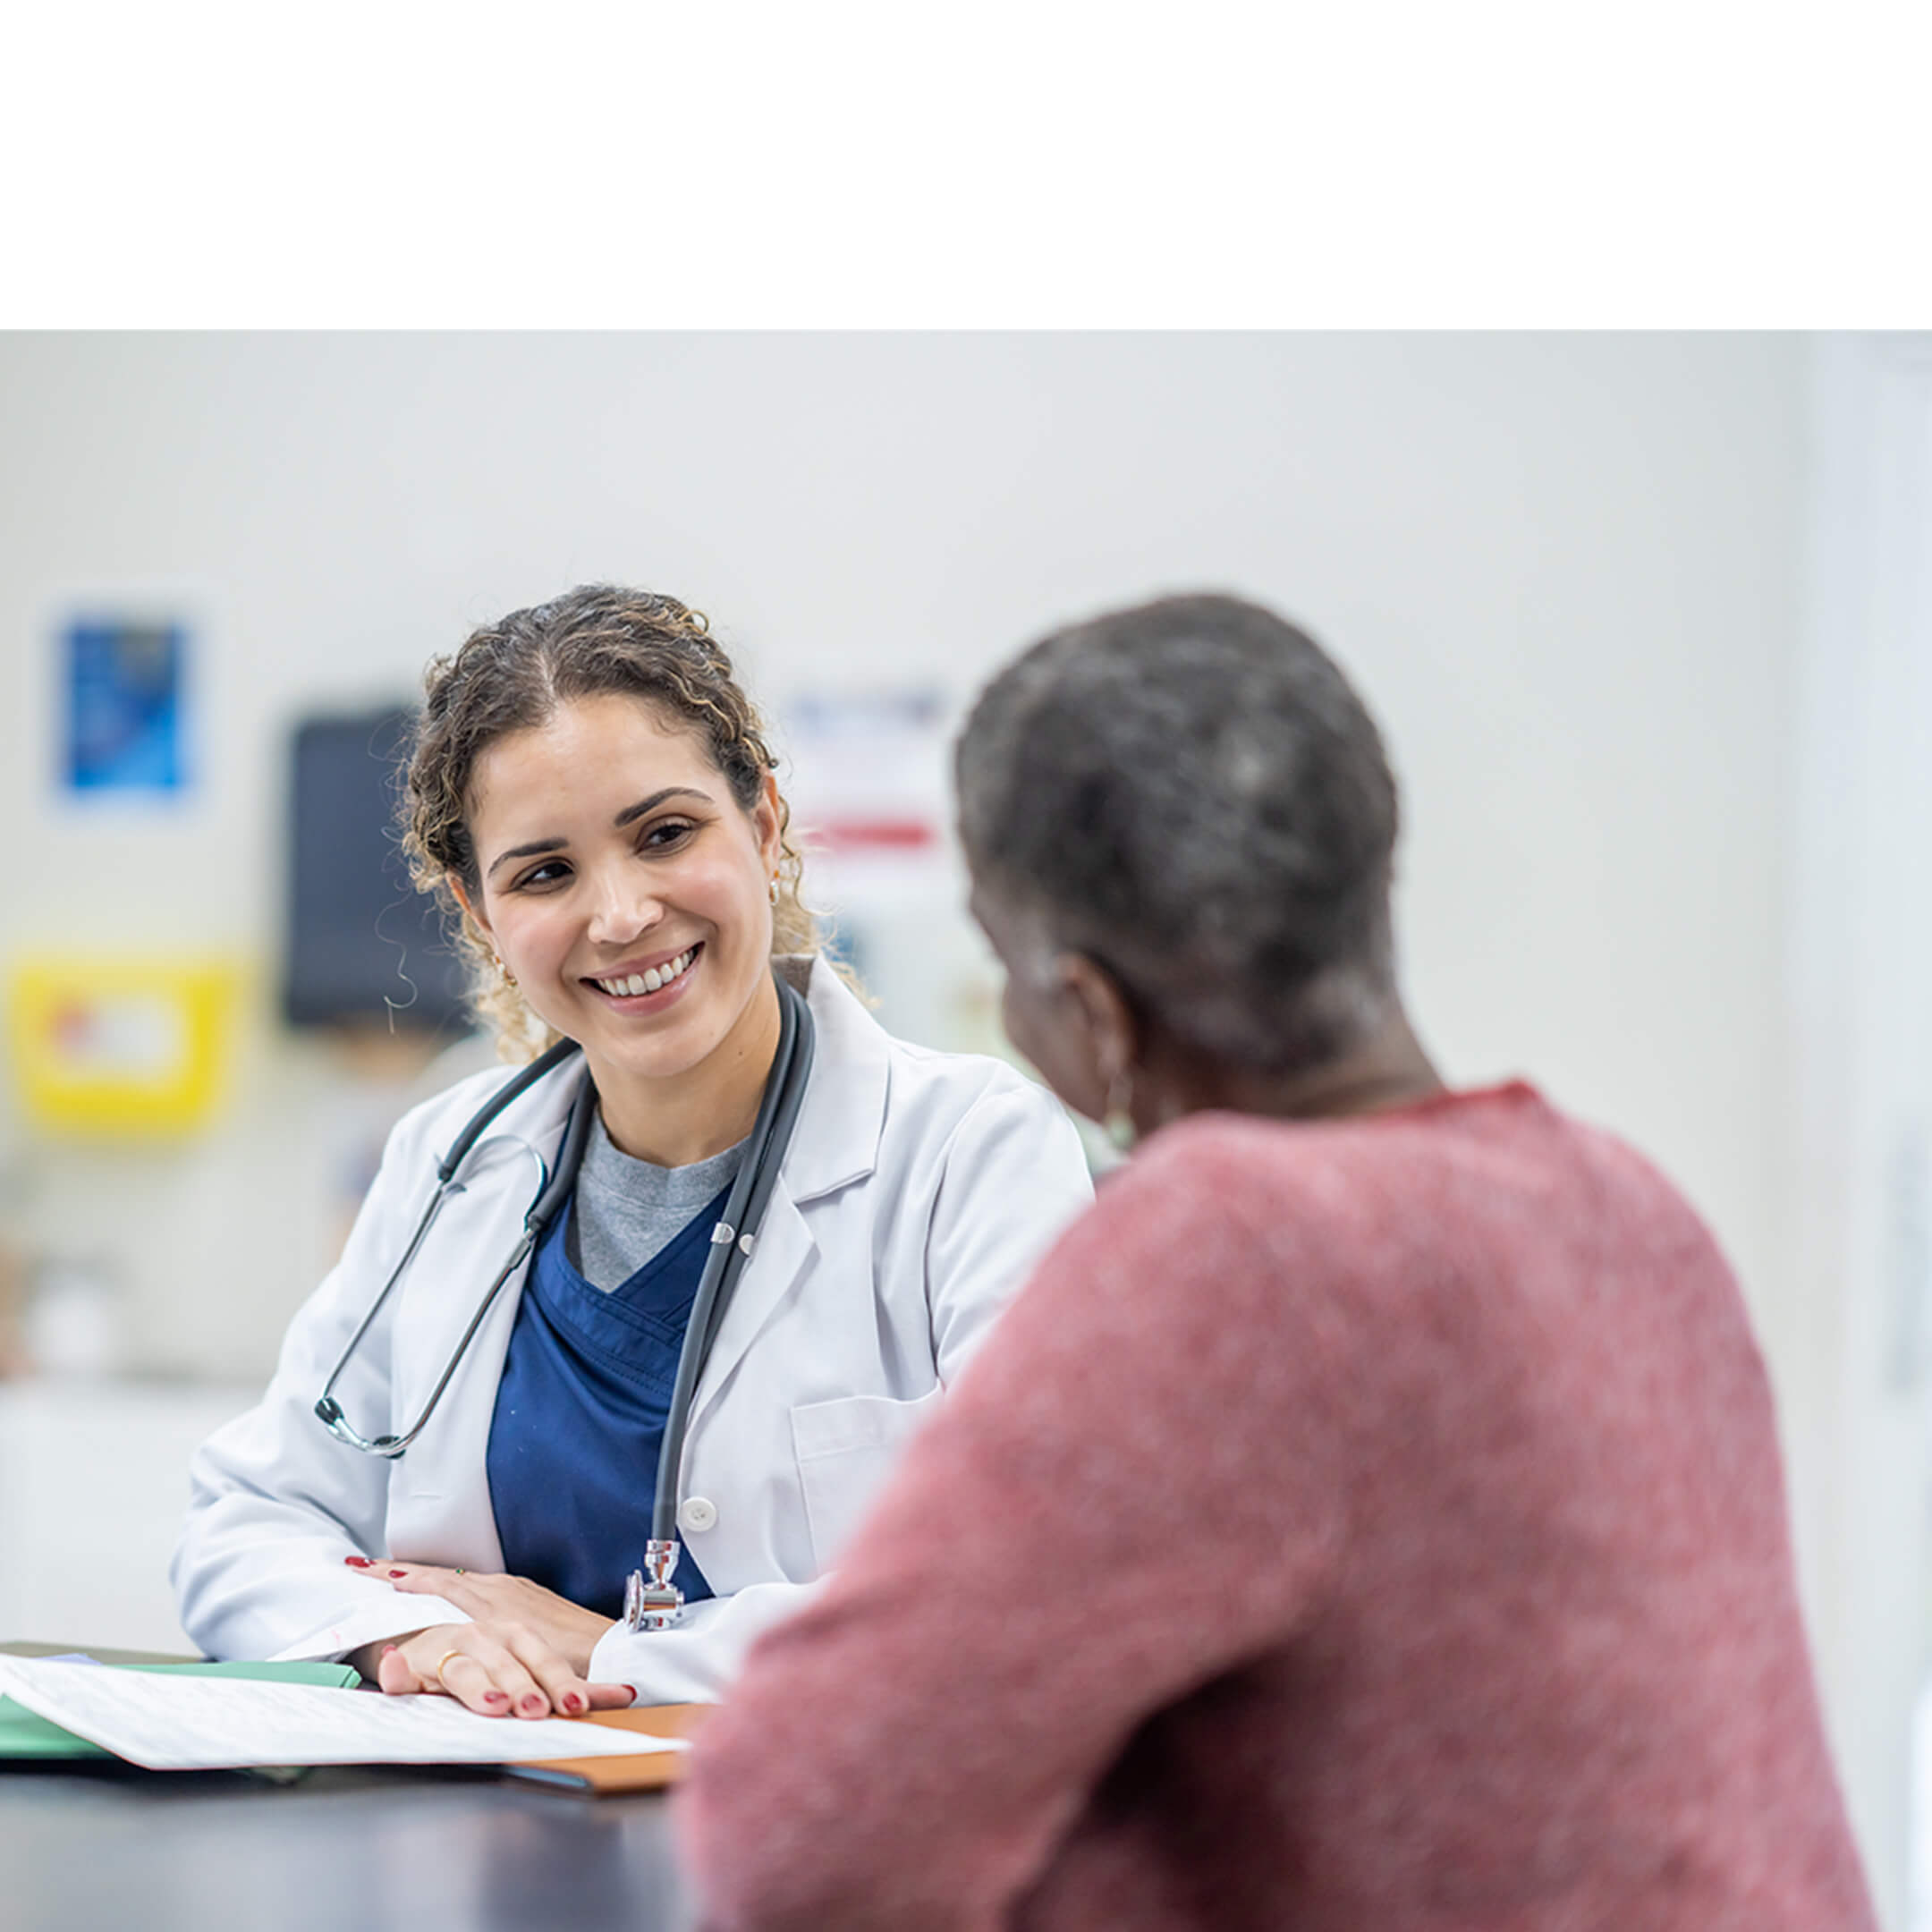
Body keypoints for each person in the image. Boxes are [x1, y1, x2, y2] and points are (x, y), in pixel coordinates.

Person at [678, 593, 1876, 1929]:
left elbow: (800, 1831)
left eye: (1003, 960)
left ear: (1092, 1015)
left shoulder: (1232, 1250)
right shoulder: (1634, 1214)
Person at [171, 585, 1091, 1718]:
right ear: (481, 915)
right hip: (482, 1817)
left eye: (665, 834)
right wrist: (414, 1636)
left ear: (763, 826)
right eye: (544, 873)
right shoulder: (447, 1164)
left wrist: (622, 1653)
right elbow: (241, 1525)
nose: (619, 915)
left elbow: (1039, 1581)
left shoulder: (969, 1157)